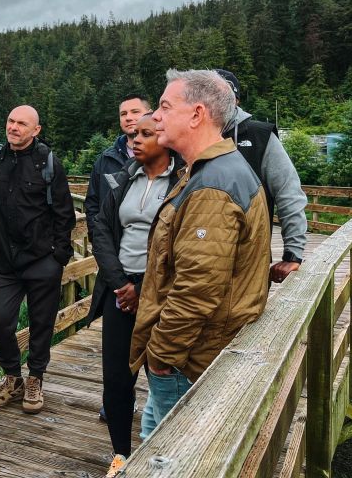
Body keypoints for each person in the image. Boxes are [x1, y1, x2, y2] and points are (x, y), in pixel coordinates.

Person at [130, 69, 271, 438]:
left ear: (196, 115)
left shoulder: (213, 186)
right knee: (151, 447)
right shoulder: (212, 170)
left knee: (166, 455)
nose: (155, 116)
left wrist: (160, 358)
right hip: (192, 355)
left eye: (164, 106)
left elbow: (197, 290)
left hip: (187, 362)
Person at [85, 114, 181, 477]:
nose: (135, 139)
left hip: (161, 291)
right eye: (133, 133)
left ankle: (168, 455)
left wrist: (143, 290)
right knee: (117, 377)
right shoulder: (126, 177)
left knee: (164, 373)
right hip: (119, 286)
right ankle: (121, 456)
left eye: (146, 133)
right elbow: (102, 230)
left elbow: (180, 245)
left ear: (166, 138)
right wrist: (120, 283)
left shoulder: (183, 181)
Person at [0, 105, 75, 414]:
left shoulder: (48, 162)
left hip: (42, 260)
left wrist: (58, 258)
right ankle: (13, 376)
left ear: (36, 130)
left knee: (41, 324)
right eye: (10, 121)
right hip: (5, 262)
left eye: (21, 123)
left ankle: (35, 378)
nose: (13, 127)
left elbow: (64, 215)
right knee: (0, 321)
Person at [215, 69, 308, 283]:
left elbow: (289, 193)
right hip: (196, 258)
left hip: (250, 260)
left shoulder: (261, 136)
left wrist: (293, 253)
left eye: (223, 94)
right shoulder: (186, 138)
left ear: (236, 99)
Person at [85, 94, 152, 241]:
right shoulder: (105, 160)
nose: (128, 117)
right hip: (111, 248)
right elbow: (92, 204)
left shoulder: (165, 157)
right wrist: (98, 241)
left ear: (150, 114)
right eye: (123, 114)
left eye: (135, 112)